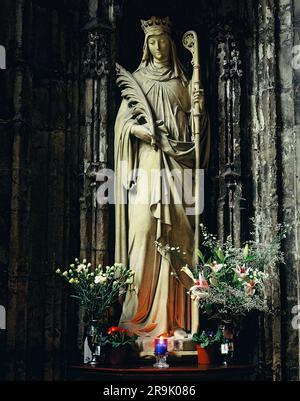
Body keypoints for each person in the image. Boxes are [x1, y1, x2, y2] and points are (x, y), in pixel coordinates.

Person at [114, 16, 210, 337]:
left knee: (180, 241)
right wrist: (141, 130)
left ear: (171, 41)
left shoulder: (183, 81)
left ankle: (179, 320)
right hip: (149, 164)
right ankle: (138, 318)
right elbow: (122, 127)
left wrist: (199, 110)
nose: (157, 46)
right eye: (151, 41)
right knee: (143, 231)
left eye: (162, 40)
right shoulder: (138, 79)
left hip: (179, 166)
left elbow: (196, 127)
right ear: (146, 44)